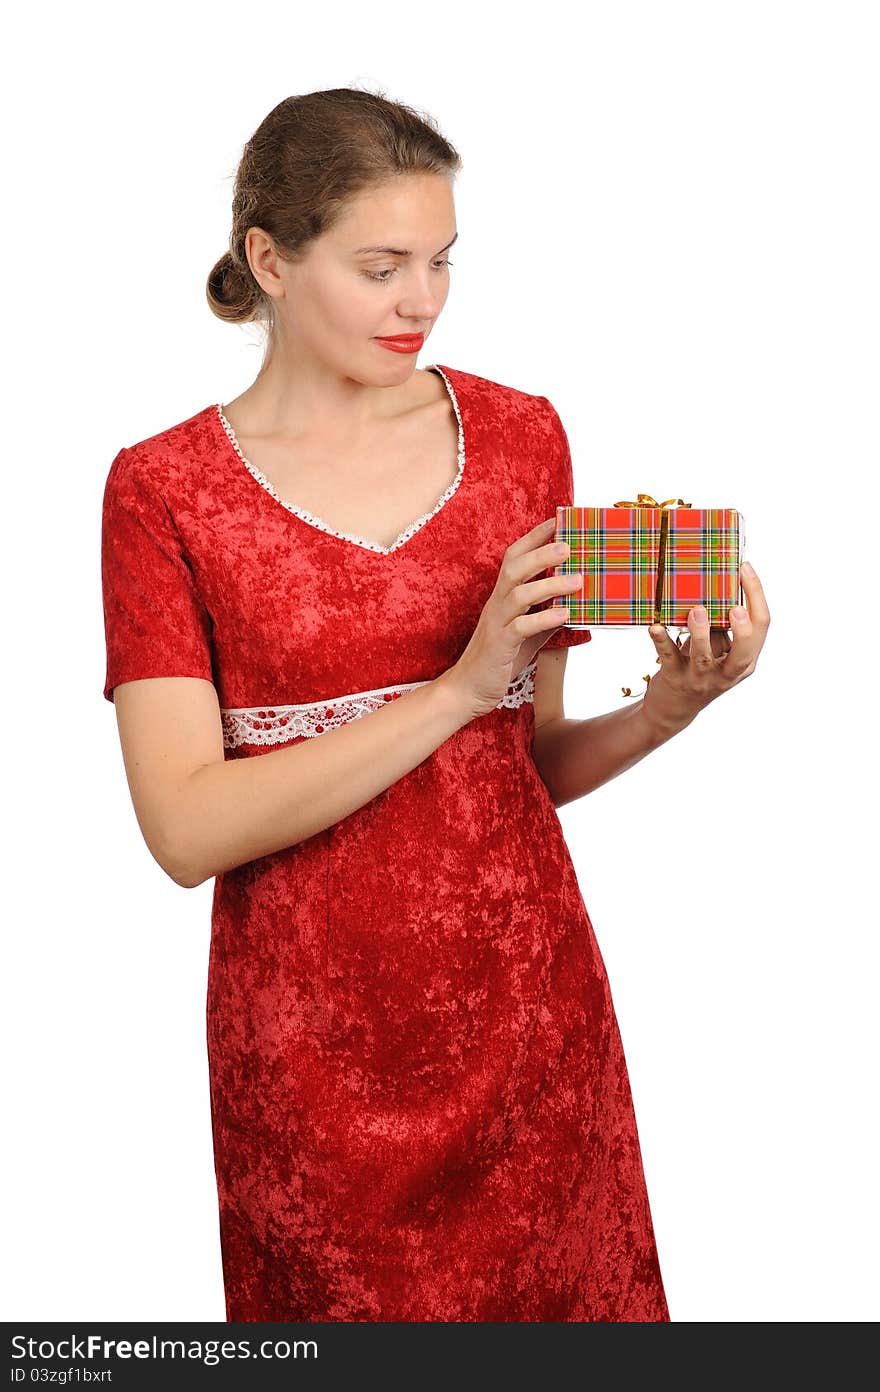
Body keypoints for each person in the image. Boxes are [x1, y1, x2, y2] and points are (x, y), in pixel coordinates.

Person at [100, 87, 769, 1323]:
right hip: (311, 1062)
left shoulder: (521, 438)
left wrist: (674, 703)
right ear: (271, 260)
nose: (423, 301)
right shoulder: (163, 493)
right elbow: (185, 832)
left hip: (529, 1026)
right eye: (380, 265)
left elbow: (529, 762)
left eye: (441, 262)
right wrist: (457, 686)